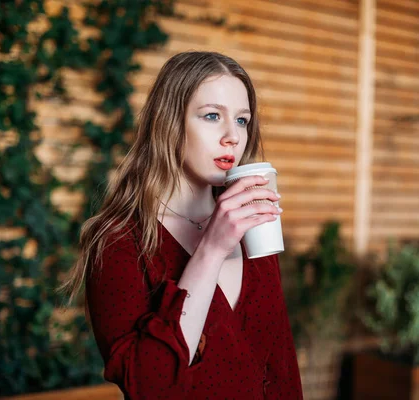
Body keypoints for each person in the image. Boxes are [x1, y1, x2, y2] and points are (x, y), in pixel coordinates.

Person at [61, 51, 303, 399]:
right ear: (170, 123)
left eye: (241, 120)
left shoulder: (252, 225)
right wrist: (212, 249)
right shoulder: (119, 241)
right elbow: (148, 386)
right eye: (211, 116)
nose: (232, 136)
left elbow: (281, 368)